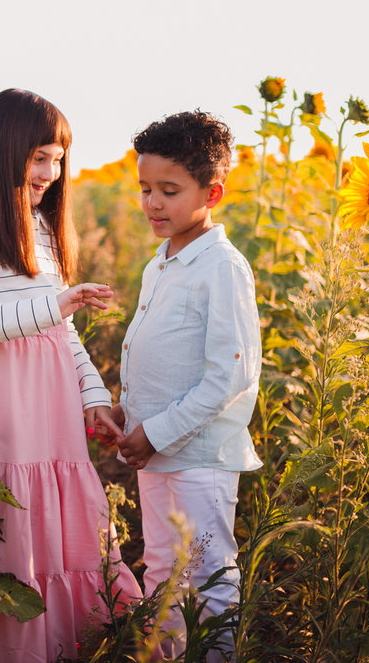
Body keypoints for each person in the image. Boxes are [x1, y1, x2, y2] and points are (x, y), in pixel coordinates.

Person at [0, 88, 142, 663]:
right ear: (3, 151)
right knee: (11, 516)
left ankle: (64, 640)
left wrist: (92, 395)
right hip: (3, 398)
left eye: (58, 160)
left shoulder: (38, 224)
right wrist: (56, 305)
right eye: (40, 157)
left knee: (62, 516)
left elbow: (63, 335)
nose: (52, 173)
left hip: (51, 401)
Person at [113, 110, 262, 660]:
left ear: (213, 192)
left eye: (169, 191)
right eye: (145, 188)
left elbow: (231, 371)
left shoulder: (221, 267)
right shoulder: (162, 262)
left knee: (207, 574)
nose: (152, 203)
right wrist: (128, 417)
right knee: (160, 564)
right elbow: (158, 355)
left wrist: (157, 431)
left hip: (199, 452)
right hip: (154, 450)